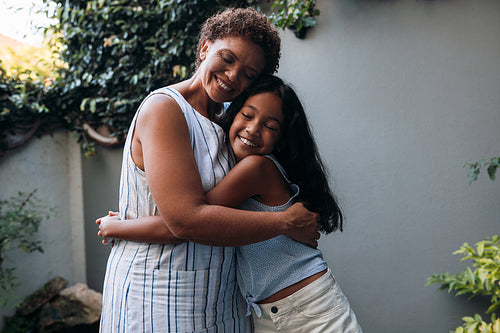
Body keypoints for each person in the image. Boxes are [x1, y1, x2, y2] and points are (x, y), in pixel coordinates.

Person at [98, 7, 320, 333]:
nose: (233, 76)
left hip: (222, 300)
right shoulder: (166, 109)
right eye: (227, 59)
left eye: (248, 74)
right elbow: (186, 219)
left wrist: (125, 224)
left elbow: (221, 203)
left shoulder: (232, 123)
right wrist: (284, 222)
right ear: (204, 48)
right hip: (158, 297)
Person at [98, 76, 363, 332]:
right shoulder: (236, 168)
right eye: (248, 115)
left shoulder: (255, 168)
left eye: (270, 127)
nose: (253, 129)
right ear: (233, 114)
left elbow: (186, 223)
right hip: (270, 313)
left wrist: (117, 227)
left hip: (310, 309)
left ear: (281, 138)